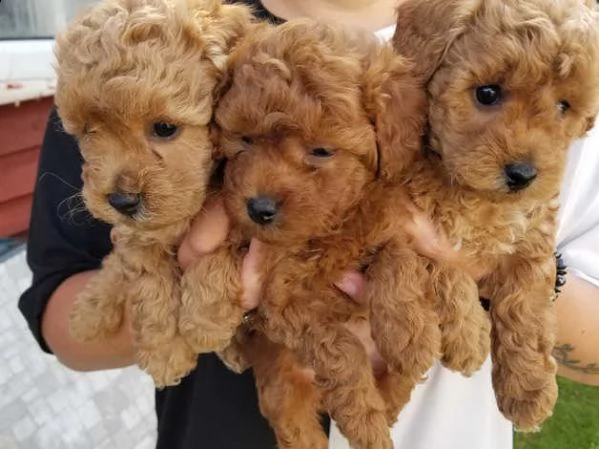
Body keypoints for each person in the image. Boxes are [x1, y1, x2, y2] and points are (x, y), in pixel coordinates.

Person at [18, 0, 599, 448]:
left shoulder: (538, 53)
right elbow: (60, 319)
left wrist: (503, 274)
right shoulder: (143, 54)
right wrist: (199, 297)